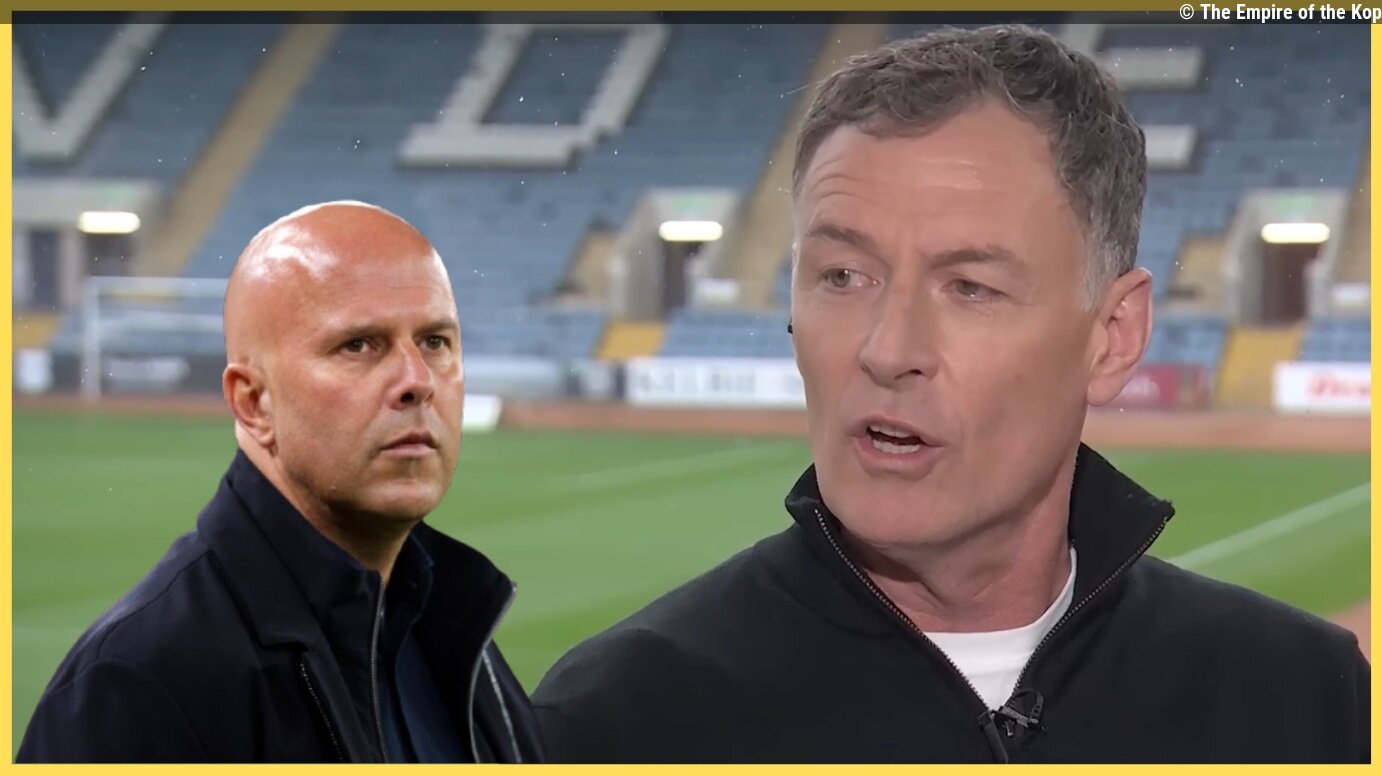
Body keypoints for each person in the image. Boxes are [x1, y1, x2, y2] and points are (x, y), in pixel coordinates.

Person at [532, 25, 1369, 763]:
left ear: (1113, 337)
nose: (887, 350)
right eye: (842, 276)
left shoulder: (1307, 701)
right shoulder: (612, 722)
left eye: (970, 286)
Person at [18, 202, 544, 763]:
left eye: (435, 342)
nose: (417, 380)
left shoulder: (457, 639)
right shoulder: (136, 688)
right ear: (253, 403)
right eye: (358, 345)